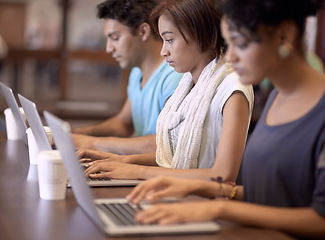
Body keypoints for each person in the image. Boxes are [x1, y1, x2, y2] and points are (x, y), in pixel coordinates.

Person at [125, 0, 325, 238]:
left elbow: (319, 219)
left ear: (285, 36)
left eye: (239, 43)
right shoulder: (277, 99)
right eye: (228, 43)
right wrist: (201, 187)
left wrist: (219, 207)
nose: (230, 55)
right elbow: (272, 195)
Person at [81, 0, 254, 183]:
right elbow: (173, 155)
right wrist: (122, 161)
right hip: (178, 193)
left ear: (202, 35)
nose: (163, 51)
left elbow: (223, 175)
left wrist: (136, 171)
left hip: (203, 203)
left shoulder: (232, 87)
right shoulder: (189, 85)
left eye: (170, 40)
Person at [72, 0, 183, 155]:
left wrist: (94, 143)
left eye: (115, 38)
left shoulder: (174, 77)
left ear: (143, 32)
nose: (109, 48)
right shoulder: (137, 72)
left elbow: (168, 144)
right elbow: (123, 124)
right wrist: (79, 133)